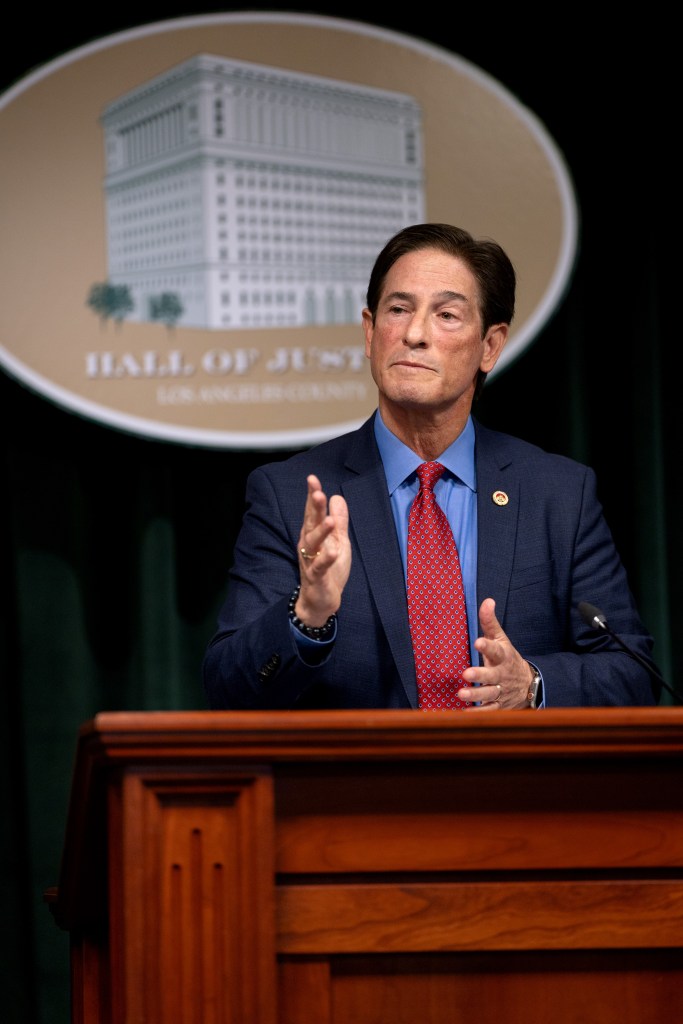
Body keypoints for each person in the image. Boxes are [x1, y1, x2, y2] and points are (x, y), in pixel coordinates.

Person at [203, 223, 659, 711]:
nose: (415, 334)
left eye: (446, 315)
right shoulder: (292, 494)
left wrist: (530, 685)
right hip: (361, 785)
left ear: (490, 346)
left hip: (514, 784)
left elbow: (633, 676)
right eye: (398, 310)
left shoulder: (559, 494)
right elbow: (229, 689)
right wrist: (308, 614)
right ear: (370, 331)